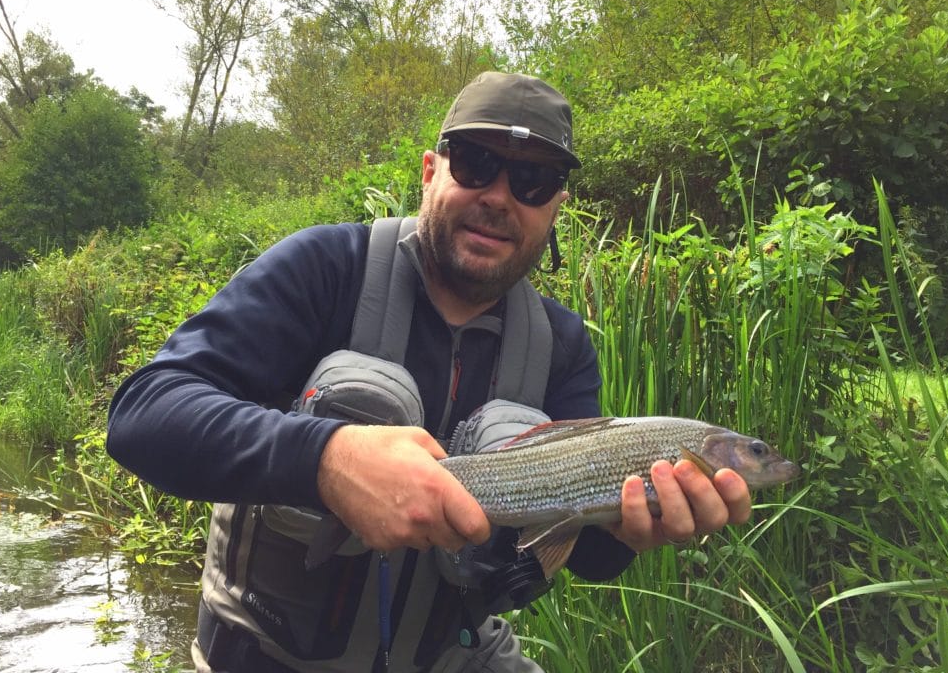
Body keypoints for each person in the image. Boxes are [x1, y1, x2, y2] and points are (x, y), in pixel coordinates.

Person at [107, 71, 752, 673]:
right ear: (429, 172)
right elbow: (144, 413)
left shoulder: (563, 346)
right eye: (476, 164)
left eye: (532, 182)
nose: (499, 197)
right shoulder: (324, 270)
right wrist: (326, 460)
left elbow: (587, 552)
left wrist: (636, 531)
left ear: (556, 206)